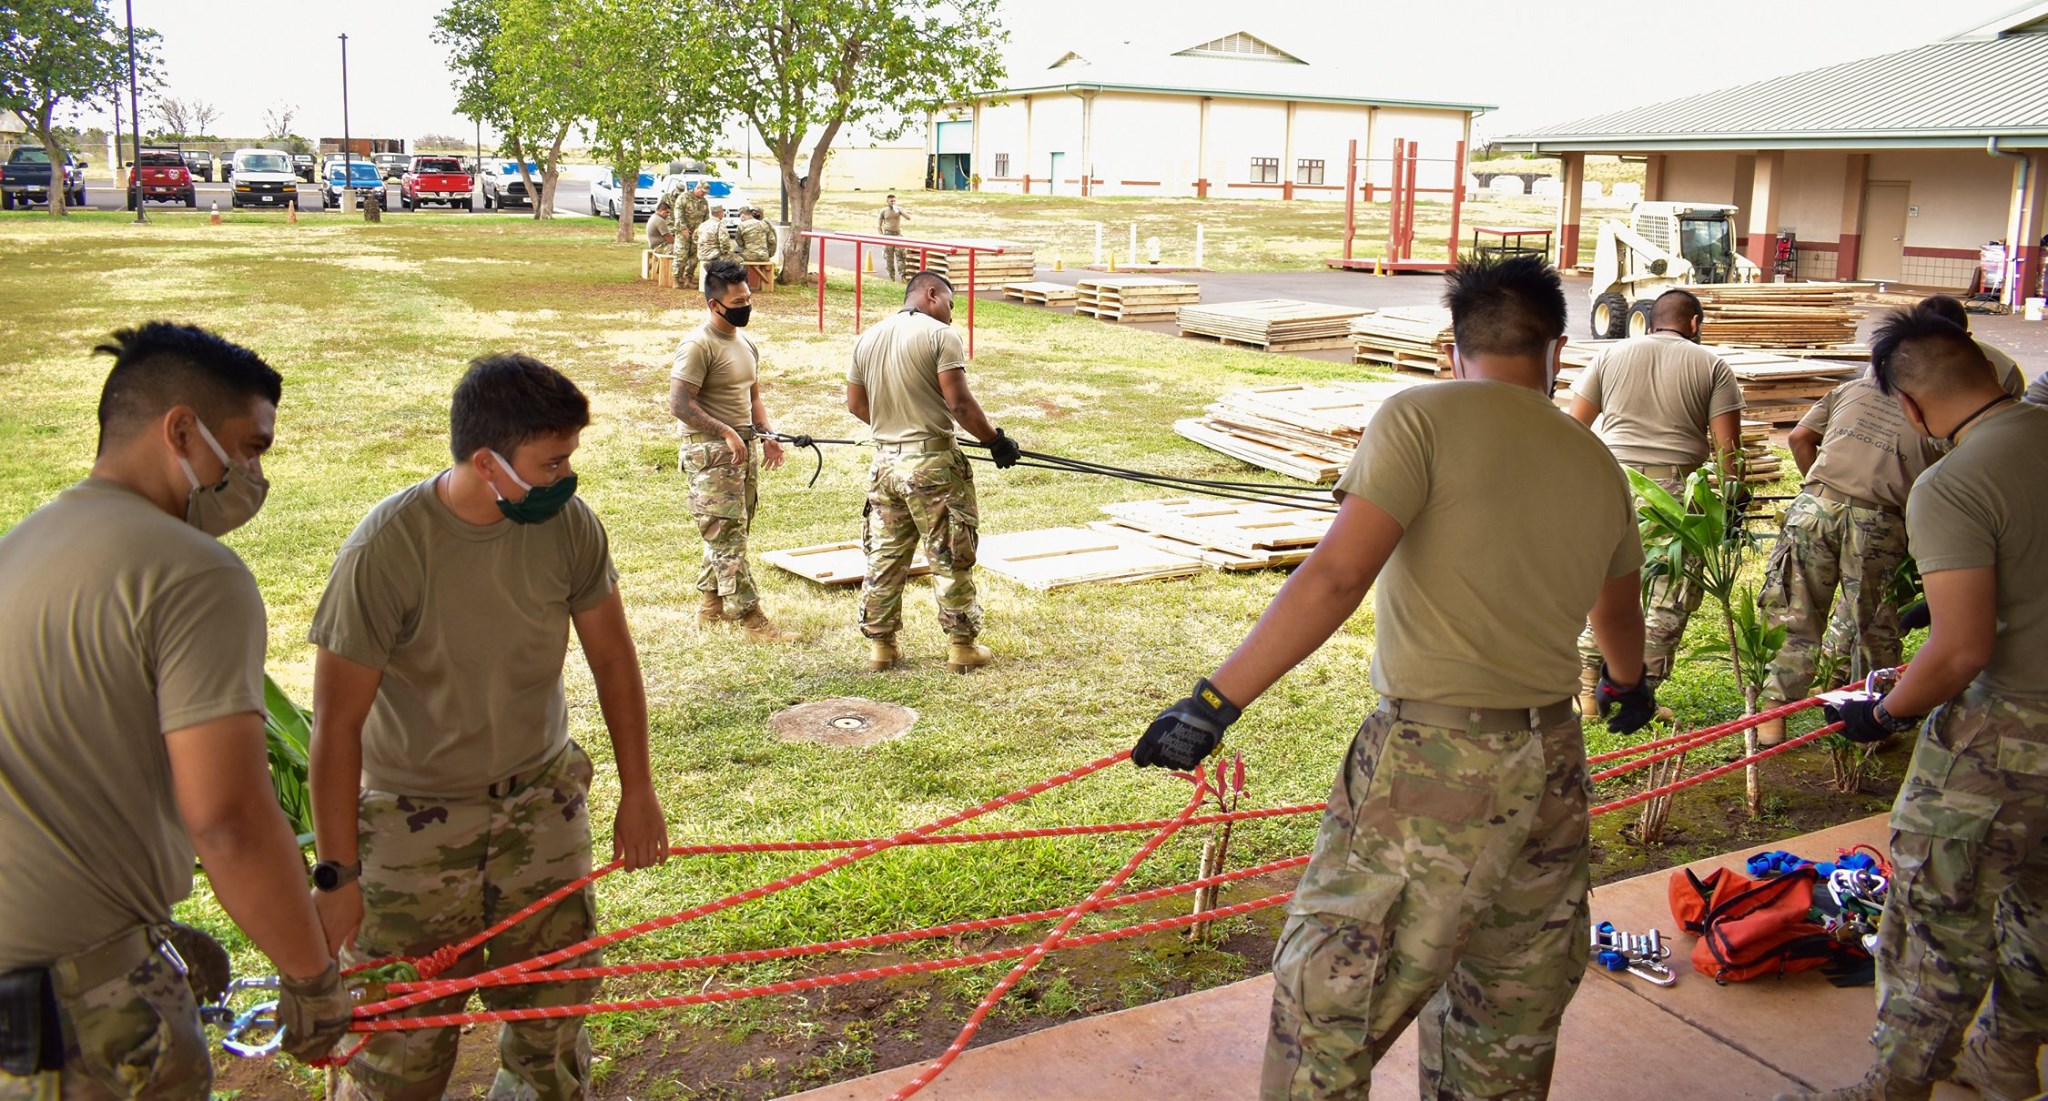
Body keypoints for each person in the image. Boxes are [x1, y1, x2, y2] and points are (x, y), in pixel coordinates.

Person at [1132, 255, 1655, 1100]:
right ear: (1558, 349)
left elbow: (1338, 574)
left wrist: (1213, 701)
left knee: (1328, 1004)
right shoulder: (1594, 460)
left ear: (1456, 348)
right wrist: (1628, 683)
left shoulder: (1419, 415)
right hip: (1552, 758)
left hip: (1433, 762)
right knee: (1509, 1008)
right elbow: (1618, 612)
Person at [307, 353, 670, 1101]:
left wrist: (639, 790)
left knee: (553, 1024)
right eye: (552, 460)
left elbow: (613, 658)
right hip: (412, 827)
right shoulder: (386, 550)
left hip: (540, 805)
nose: (567, 476)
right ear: (486, 460)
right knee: (398, 1049)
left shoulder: (569, 526)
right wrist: (338, 874)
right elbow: (336, 727)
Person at [0, 323, 351, 1098]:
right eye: (251, 448)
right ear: (182, 431)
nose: (255, 474)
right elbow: (227, 816)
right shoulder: (195, 576)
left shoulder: (20, 548)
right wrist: (311, 977)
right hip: (78, 1023)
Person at [1780, 309, 2048, 1101]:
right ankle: (2004, 1060)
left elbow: (1961, 650)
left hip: (2005, 734)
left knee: (1939, 915)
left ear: (1909, 405)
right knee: (2039, 902)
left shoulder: (1955, 480)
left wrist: (1888, 712)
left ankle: (1894, 1086)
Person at [1568, 288, 1744, 710]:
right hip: (1675, 494)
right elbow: (1728, 454)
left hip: (1611, 484)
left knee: (1604, 581)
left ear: (1651, 319)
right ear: (1695, 324)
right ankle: (1636, 695)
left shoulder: (1609, 356)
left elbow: (1575, 427)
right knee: (1669, 590)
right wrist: (1733, 508)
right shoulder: (1713, 366)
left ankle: (1586, 688)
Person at [847, 271, 1020, 674]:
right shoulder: (940, 336)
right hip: (932, 464)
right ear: (931, 294)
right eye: (950, 305)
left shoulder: (867, 337)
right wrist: (994, 440)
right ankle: (962, 647)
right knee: (949, 552)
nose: (951, 316)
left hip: (885, 464)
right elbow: (958, 403)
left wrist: (895, 428)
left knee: (885, 556)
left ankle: (882, 648)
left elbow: (856, 405)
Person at [1753, 373, 1933, 744]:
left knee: (1794, 614)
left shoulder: (1853, 387)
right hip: (1880, 518)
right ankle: (1873, 721)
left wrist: (1821, 493)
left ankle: (1772, 721)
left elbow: (1799, 437)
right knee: (1874, 625)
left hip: (1815, 506)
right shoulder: (1939, 403)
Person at [670, 258, 794, 642]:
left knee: (729, 534)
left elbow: (752, 396)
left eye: (748, 297)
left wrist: (769, 434)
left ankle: (710, 605)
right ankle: (752, 620)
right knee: (727, 537)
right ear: (714, 305)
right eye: (737, 301)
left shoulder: (746, 344)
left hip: (742, 449)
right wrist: (725, 431)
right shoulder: (697, 345)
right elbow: (679, 403)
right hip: (710, 453)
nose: (746, 306)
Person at [1918, 295, 2026, 399]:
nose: (1934, 353)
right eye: (1922, 344)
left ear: (1967, 338)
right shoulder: (1903, 361)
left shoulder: (2006, 373)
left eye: (1944, 345)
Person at [694, 203, 731, 291]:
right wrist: (725, 252)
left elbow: (695, 238)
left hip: (701, 254)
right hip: (714, 255)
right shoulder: (719, 224)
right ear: (719, 213)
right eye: (723, 212)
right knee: (738, 260)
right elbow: (724, 241)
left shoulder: (703, 224)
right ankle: (729, 285)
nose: (723, 214)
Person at [736, 207, 773, 292]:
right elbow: (771, 240)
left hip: (750, 256)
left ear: (742, 215)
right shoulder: (763, 224)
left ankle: (739, 283)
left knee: (733, 256)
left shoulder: (741, 225)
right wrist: (770, 253)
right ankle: (765, 284)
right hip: (764, 256)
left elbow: (739, 242)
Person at [878, 193, 909, 281]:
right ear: (887, 201)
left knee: (901, 255)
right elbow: (879, 225)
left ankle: (903, 275)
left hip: (897, 234)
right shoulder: (884, 211)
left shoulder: (899, 209)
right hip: (888, 235)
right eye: (891, 201)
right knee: (889, 256)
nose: (893, 202)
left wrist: (900, 210)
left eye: (894, 201)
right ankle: (891, 276)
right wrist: (881, 235)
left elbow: (908, 217)